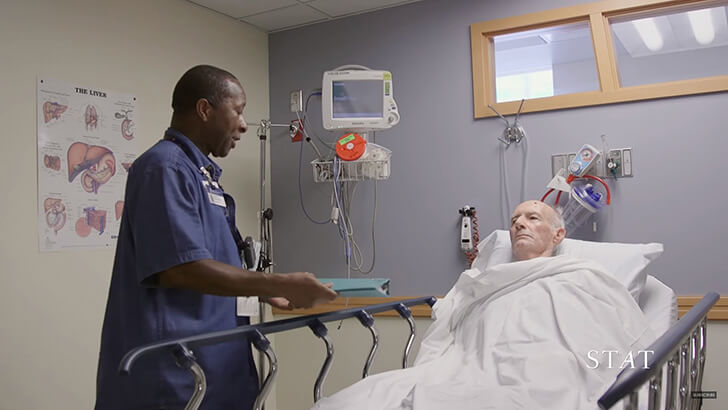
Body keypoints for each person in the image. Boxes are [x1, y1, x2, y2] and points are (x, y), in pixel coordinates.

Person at [95, 65, 338, 410]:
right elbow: (180, 268)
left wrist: (266, 293)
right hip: (174, 374)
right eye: (237, 111)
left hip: (215, 365)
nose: (243, 125)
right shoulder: (164, 168)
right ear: (204, 109)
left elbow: (212, 260)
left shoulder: (201, 175)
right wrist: (278, 282)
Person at [310, 200, 655, 410]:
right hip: (475, 368)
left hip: (550, 368)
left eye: (533, 218)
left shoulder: (585, 274)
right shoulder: (484, 283)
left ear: (558, 235)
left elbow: (612, 334)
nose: (520, 223)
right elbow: (459, 335)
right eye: (515, 220)